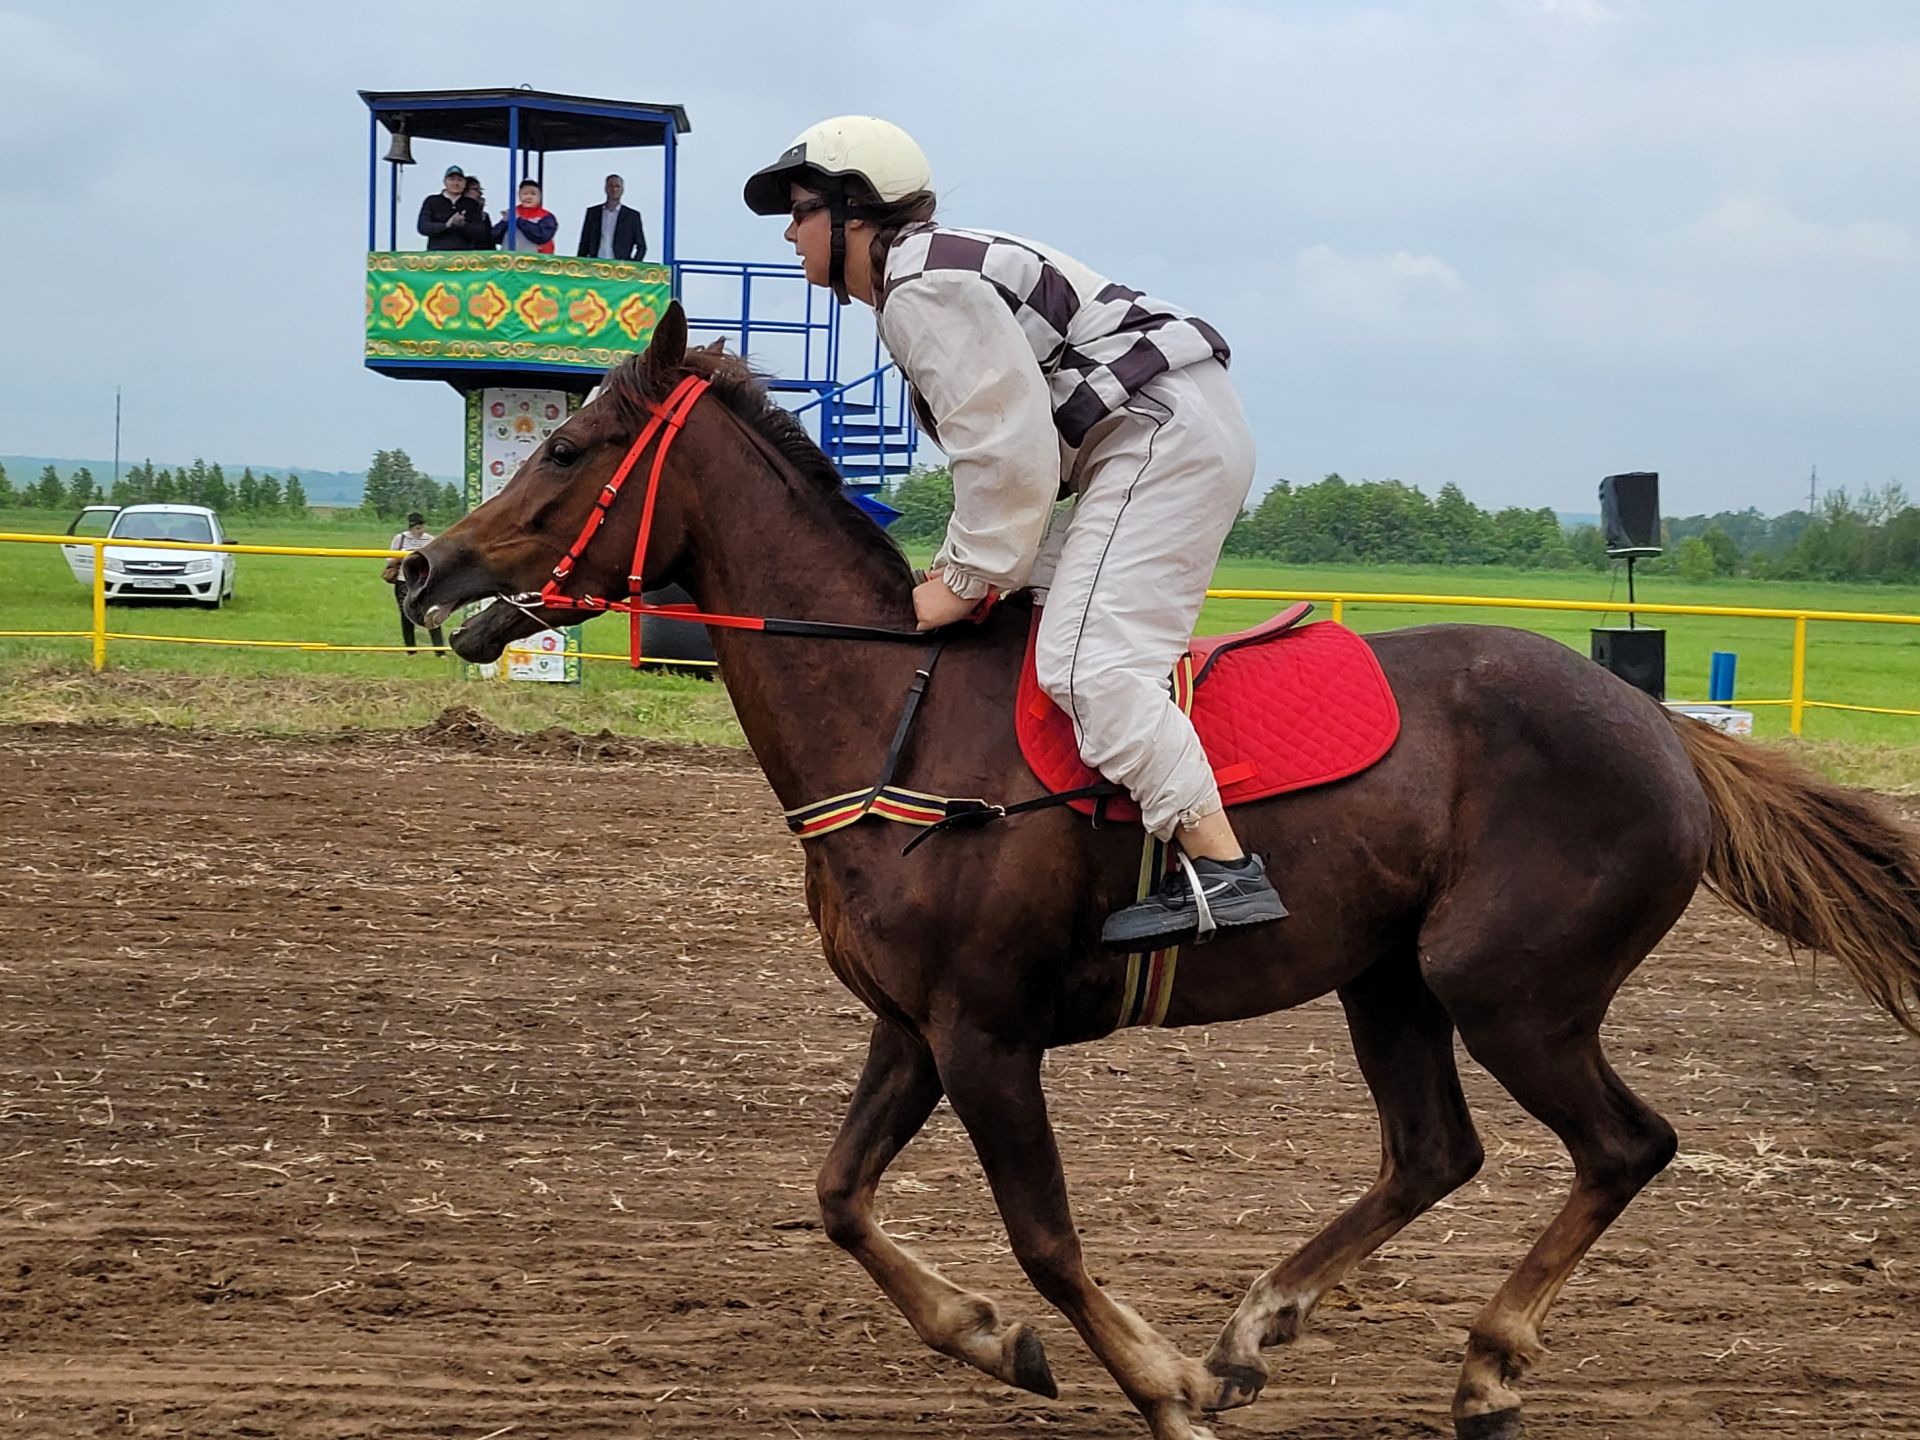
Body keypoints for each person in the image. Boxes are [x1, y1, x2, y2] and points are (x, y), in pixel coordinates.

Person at [744, 117, 1286, 950]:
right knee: (1031, 611)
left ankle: (1222, 870)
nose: (790, 232)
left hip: (1157, 434)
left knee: (1088, 666)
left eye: (803, 210)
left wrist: (961, 581)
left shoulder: (922, 289)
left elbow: (1009, 456)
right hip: (1157, 428)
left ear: (856, 210)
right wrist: (982, 573)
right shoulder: (925, 277)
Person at [386, 513, 444, 655]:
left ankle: (439, 650)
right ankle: (411, 650)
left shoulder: (430, 539)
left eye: (422, 527)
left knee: (431, 613)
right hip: (403, 581)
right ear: (411, 527)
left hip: (425, 582)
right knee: (406, 614)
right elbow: (389, 559)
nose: (421, 530)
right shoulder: (400, 539)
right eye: (417, 528)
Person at [578, 173, 647, 262]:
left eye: (617, 186)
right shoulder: (593, 213)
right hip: (595, 264)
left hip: (621, 268)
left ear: (622, 190)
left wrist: (633, 266)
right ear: (605, 188)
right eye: (611, 186)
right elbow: (584, 243)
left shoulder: (632, 216)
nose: (614, 189)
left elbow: (641, 246)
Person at [493, 178, 557, 254]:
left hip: (538, 260)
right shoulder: (513, 212)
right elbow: (495, 237)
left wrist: (519, 221)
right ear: (519, 195)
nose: (528, 197)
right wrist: (504, 222)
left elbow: (542, 236)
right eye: (525, 194)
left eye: (533, 194)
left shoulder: (545, 216)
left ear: (540, 196)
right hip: (511, 259)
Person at [417, 166, 473, 251]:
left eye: (459, 180)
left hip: (464, 256)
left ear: (464, 183)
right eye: (452, 180)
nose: (456, 183)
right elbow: (423, 227)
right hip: (437, 255)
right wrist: (446, 225)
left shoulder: (471, 204)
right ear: (444, 182)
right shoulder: (432, 201)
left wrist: (464, 225)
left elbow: (481, 232)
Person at [460, 175, 495, 250]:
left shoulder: (483, 215)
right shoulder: (457, 212)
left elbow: (489, 239)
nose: (480, 193)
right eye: (476, 189)